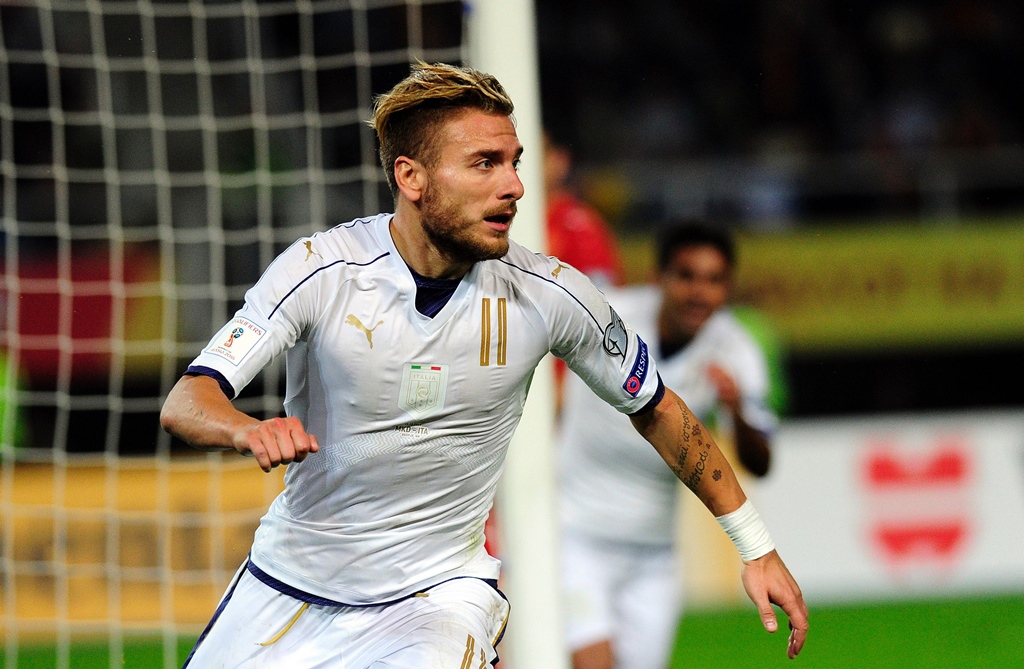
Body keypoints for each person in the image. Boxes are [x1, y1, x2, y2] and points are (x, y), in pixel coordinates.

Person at [160, 62, 807, 669]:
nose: (515, 186)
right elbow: (188, 398)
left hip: (438, 596)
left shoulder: (552, 294)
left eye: (515, 163)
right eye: (485, 164)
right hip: (289, 582)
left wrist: (756, 545)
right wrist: (245, 427)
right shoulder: (319, 271)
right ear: (411, 179)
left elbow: (659, 407)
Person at [558, 223, 782, 669]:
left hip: (653, 551)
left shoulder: (736, 351)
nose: (699, 292)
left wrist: (735, 410)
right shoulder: (610, 317)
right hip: (574, 533)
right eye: (686, 276)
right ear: (659, 277)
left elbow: (762, 463)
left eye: (714, 280)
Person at [544, 130, 624, 289]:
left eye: (536, 153)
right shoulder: (508, 218)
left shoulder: (579, 228)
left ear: (559, 160)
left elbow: (601, 299)